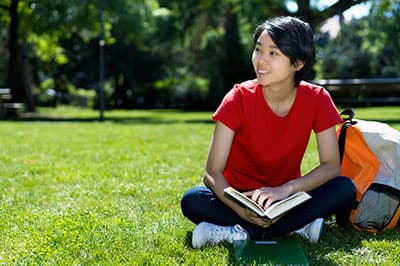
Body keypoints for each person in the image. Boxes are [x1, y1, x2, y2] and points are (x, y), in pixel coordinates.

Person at [180, 16, 356, 248]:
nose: (261, 60)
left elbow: (331, 166)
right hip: (239, 197)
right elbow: (213, 172)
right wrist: (241, 209)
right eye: (258, 50)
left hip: (287, 199)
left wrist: (286, 189)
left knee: (344, 188)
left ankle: (241, 232)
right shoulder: (238, 98)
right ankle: (295, 226)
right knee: (192, 200)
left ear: (298, 63)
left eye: (274, 53)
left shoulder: (317, 99)